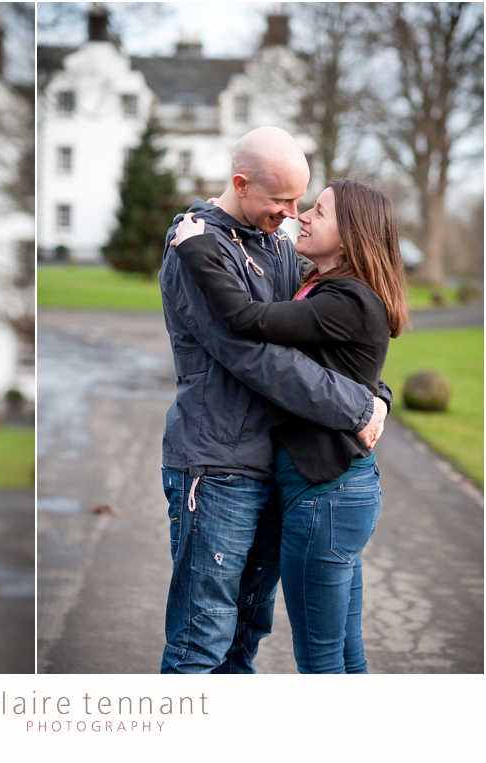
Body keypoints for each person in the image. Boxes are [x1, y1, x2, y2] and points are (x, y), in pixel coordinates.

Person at [159, 127, 390, 674]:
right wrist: (359, 408)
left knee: (245, 637)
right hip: (217, 469)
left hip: (275, 473)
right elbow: (251, 352)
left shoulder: (276, 244)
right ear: (241, 183)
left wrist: (377, 392)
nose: (291, 214)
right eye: (281, 200)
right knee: (202, 641)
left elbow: (326, 344)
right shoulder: (198, 246)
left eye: (300, 199)